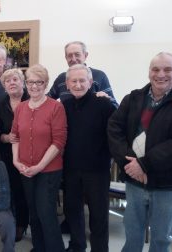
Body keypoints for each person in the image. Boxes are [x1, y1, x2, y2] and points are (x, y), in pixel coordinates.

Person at [107, 52, 172, 252]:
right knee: (132, 235)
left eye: (168, 69)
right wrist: (130, 165)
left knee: (160, 239)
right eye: (155, 69)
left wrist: (144, 164)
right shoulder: (133, 98)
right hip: (134, 183)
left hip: (167, 185)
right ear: (149, 72)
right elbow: (114, 130)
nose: (161, 74)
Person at [12, 64, 67, 252]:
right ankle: (39, 248)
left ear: (46, 84)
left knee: (46, 213)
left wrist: (39, 166)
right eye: (30, 82)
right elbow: (15, 136)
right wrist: (15, 161)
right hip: (25, 169)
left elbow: (59, 142)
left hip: (49, 171)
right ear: (26, 84)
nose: (34, 86)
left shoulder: (55, 107)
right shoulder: (20, 108)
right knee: (33, 213)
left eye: (39, 82)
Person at [62, 64, 116, 252]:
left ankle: (100, 249)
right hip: (71, 169)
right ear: (67, 84)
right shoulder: (64, 105)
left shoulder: (104, 104)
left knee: (99, 214)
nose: (78, 85)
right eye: (74, 81)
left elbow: (115, 135)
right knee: (73, 210)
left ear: (91, 82)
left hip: (97, 170)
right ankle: (77, 246)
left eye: (82, 80)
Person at [0, 68, 30, 242]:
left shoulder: (33, 99)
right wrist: (6, 137)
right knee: (16, 191)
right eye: (7, 81)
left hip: (33, 155)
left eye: (15, 79)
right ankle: (20, 224)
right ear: (4, 86)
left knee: (31, 191)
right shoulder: (1, 106)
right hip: (10, 156)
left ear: (22, 81)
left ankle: (34, 223)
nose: (12, 83)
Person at [48, 41, 117, 107]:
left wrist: (106, 100)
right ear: (66, 58)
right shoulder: (61, 78)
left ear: (85, 55)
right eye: (70, 56)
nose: (74, 59)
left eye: (77, 55)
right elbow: (47, 100)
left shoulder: (99, 76)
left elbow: (115, 107)